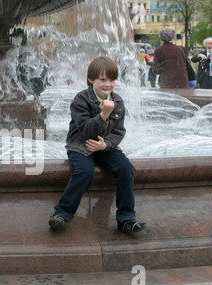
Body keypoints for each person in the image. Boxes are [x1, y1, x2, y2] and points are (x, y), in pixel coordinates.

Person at [49, 56, 147, 234]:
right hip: (80, 146)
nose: (107, 84)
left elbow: (119, 132)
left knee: (126, 168)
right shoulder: (80, 100)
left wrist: (106, 145)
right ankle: (62, 213)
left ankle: (126, 218)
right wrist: (103, 115)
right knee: (85, 172)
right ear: (91, 79)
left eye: (112, 79)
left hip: (104, 148)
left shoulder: (118, 102)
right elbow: (86, 131)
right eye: (102, 79)